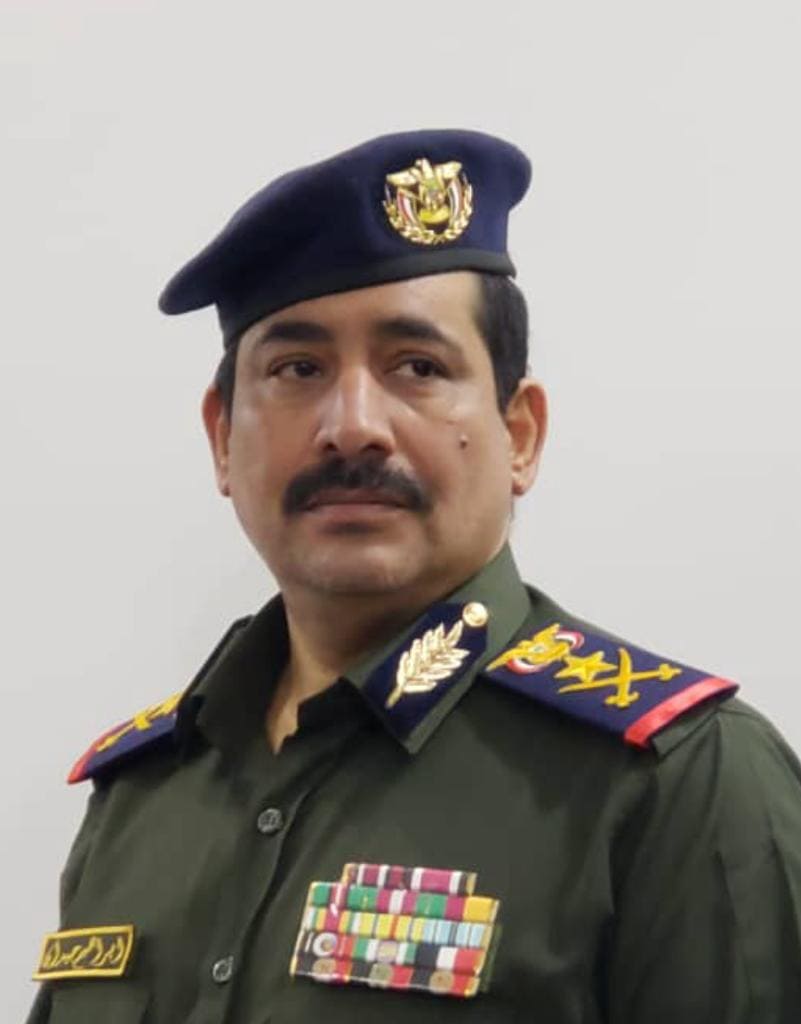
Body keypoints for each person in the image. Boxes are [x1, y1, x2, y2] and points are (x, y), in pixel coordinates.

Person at [27, 130, 801, 1024]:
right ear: (221, 439)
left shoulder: (680, 783)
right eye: (297, 369)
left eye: (417, 368)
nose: (352, 425)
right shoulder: (141, 795)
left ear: (520, 435)